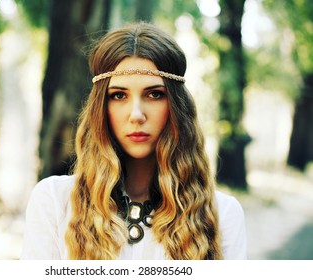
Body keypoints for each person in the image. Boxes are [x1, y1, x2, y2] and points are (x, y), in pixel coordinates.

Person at [21, 22, 247, 260]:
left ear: (176, 107)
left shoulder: (223, 215)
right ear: (101, 108)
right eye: (119, 95)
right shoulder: (54, 202)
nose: (136, 114)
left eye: (154, 94)